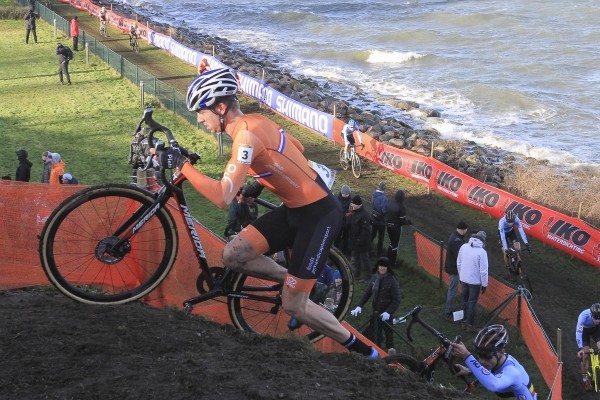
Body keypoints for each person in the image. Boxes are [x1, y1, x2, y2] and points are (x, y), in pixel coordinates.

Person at [158, 68, 379, 358]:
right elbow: (296, 146)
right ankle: (297, 279)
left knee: (293, 304)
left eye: (201, 111)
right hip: (295, 210)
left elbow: (223, 198)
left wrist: (183, 168)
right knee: (232, 255)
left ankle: (366, 352)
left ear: (220, 108)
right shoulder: (258, 122)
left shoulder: (246, 136)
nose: (199, 119)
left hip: (319, 216)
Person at [451, 325, 537, 399]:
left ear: (501, 352)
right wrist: (469, 370)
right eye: (479, 356)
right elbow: (486, 367)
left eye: (487, 357)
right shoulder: (498, 360)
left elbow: (493, 384)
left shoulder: (512, 372)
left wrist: (467, 356)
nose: (481, 361)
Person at [350, 257, 401, 352]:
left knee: (389, 334)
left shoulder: (392, 281)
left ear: (387, 268)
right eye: (381, 266)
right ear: (378, 267)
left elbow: (396, 299)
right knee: (375, 332)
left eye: (384, 267)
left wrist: (388, 312)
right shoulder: (374, 277)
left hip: (386, 314)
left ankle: (391, 352)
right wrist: (359, 306)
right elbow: (367, 293)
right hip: (376, 312)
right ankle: (377, 349)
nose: (382, 268)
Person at [457, 230, 489, 332]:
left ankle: (462, 321)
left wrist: (461, 276)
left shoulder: (464, 246)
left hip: (464, 279)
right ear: (483, 240)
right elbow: (484, 271)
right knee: (471, 303)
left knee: (463, 300)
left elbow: (459, 263)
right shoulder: (482, 252)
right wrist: (484, 284)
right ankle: (469, 325)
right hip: (474, 282)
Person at [444, 221, 468, 321]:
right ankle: (448, 312)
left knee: (452, 290)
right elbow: (460, 256)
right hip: (454, 269)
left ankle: (450, 309)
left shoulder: (454, 236)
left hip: (452, 267)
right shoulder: (457, 241)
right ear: (463, 229)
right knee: (452, 291)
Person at [576, 303, 600, 391]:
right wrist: (581, 349)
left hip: (595, 330)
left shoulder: (597, 321)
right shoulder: (583, 317)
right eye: (596, 318)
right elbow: (578, 333)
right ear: (592, 315)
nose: (598, 321)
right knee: (585, 356)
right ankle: (585, 379)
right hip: (584, 332)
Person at [348, 195, 372, 281]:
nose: (351, 205)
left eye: (353, 204)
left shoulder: (364, 215)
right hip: (355, 241)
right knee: (354, 258)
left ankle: (368, 277)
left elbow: (366, 231)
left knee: (364, 260)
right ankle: (355, 274)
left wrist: (359, 240)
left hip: (362, 243)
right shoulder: (355, 212)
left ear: (358, 204)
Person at [385, 189, 411, 266]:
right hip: (396, 228)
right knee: (395, 245)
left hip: (388, 226)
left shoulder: (390, 202)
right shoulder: (401, 207)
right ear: (402, 198)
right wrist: (408, 222)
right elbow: (402, 221)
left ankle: (388, 259)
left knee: (392, 243)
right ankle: (392, 263)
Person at [370, 181, 388, 257]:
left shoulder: (373, 195)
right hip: (381, 222)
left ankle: (367, 248)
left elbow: (372, 204)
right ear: (384, 189)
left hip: (374, 218)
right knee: (381, 238)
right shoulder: (384, 198)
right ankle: (378, 254)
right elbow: (384, 211)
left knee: (372, 235)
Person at [334, 184, 352, 255]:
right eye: (344, 194)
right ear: (342, 193)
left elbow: (351, 212)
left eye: (347, 194)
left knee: (346, 238)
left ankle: (345, 252)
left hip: (346, 223)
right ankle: (335, 252)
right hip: (339, 222)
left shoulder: (351, 201)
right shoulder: (337, 199)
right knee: (337, 238)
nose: (345, 195)